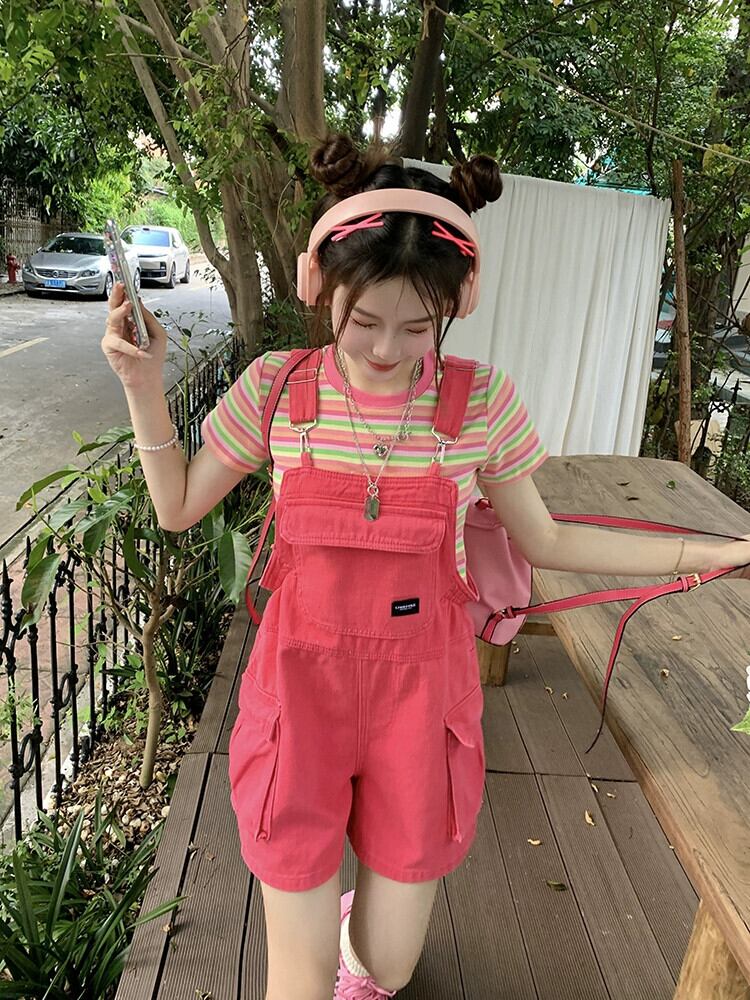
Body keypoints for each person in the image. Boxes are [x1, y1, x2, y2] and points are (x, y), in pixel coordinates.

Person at [101, 131, 750, 1000]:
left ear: (458, 301)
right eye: (364, 321)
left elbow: (550, 542)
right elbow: (178, 506)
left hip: (422, 703)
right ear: (320, 284)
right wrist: (144, 387)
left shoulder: (480, 401)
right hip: (298, 696)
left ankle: (354, 936)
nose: (385, 348)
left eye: (417, 326)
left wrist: (718, 554)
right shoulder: (277, 389)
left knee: (389, 966)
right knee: (298, 979)